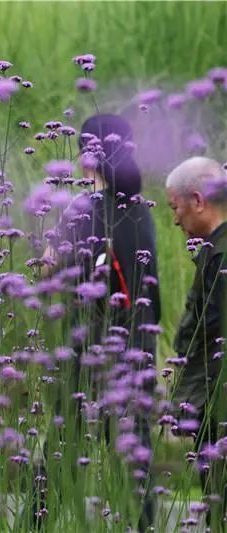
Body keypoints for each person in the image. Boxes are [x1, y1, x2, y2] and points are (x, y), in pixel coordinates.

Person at [30, 114, 161, 530]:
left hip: (88, 352)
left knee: (62, 447)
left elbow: (53, 274)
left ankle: (37, 523)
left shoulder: (82, 208)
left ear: (87, 157)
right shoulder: (143, 213)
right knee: (133, 454)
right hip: (137, 344)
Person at [166, 156, 227, 527]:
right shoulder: (213, 251)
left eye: (176, 207)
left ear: (198, 200)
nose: (175, 219)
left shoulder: (221, 256)